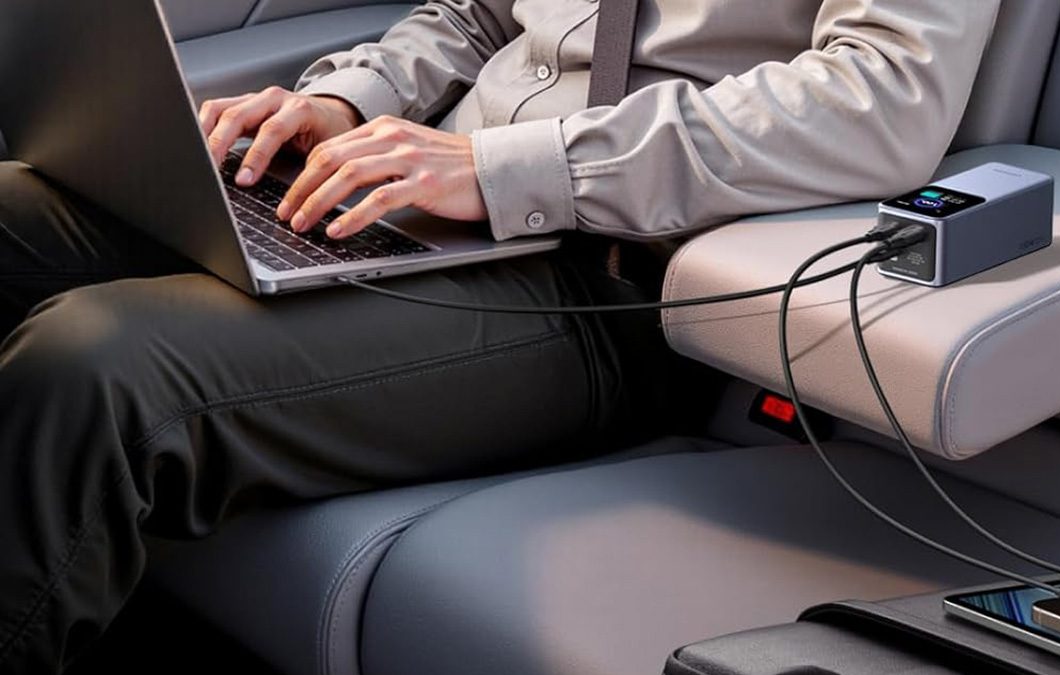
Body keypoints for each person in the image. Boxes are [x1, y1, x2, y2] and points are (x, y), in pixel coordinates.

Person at [0, 0, 1000, 671]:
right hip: (419, 200)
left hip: (609, 281)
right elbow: (478, 13)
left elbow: (881, 98)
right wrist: (348, 100)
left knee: (102, 364)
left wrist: (508, 167)